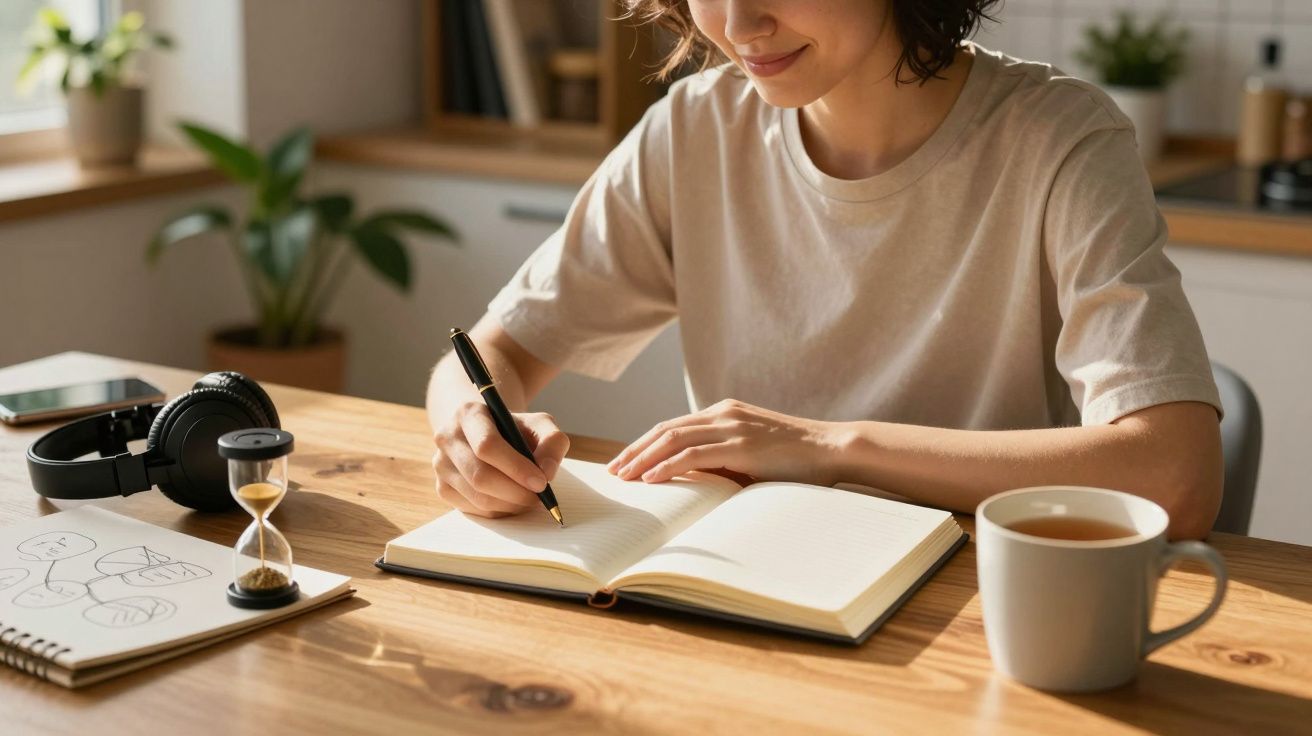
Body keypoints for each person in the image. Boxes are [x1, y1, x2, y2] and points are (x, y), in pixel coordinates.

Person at [426, 0, 1224, 540]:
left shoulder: (1060, 141)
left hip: (977, 613)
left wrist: (829, 445)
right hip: (747, 588)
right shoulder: (695, 132)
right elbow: (491, 355)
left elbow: (1175, 474)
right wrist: (472, 432)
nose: (739, 23)